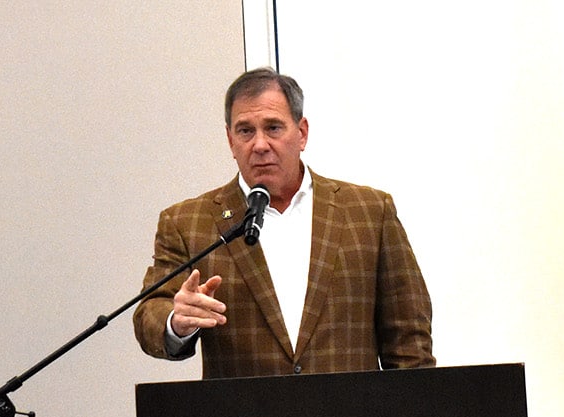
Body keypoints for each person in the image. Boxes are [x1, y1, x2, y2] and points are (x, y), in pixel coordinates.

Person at [133, 67, 434, 378]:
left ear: (301, 133)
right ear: (229, 140)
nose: (260, 144)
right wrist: (176, 321)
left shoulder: (369, 212)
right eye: (245, 131)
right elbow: (149, 315)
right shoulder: (187, 223)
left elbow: (409, 339)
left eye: (273, 128)